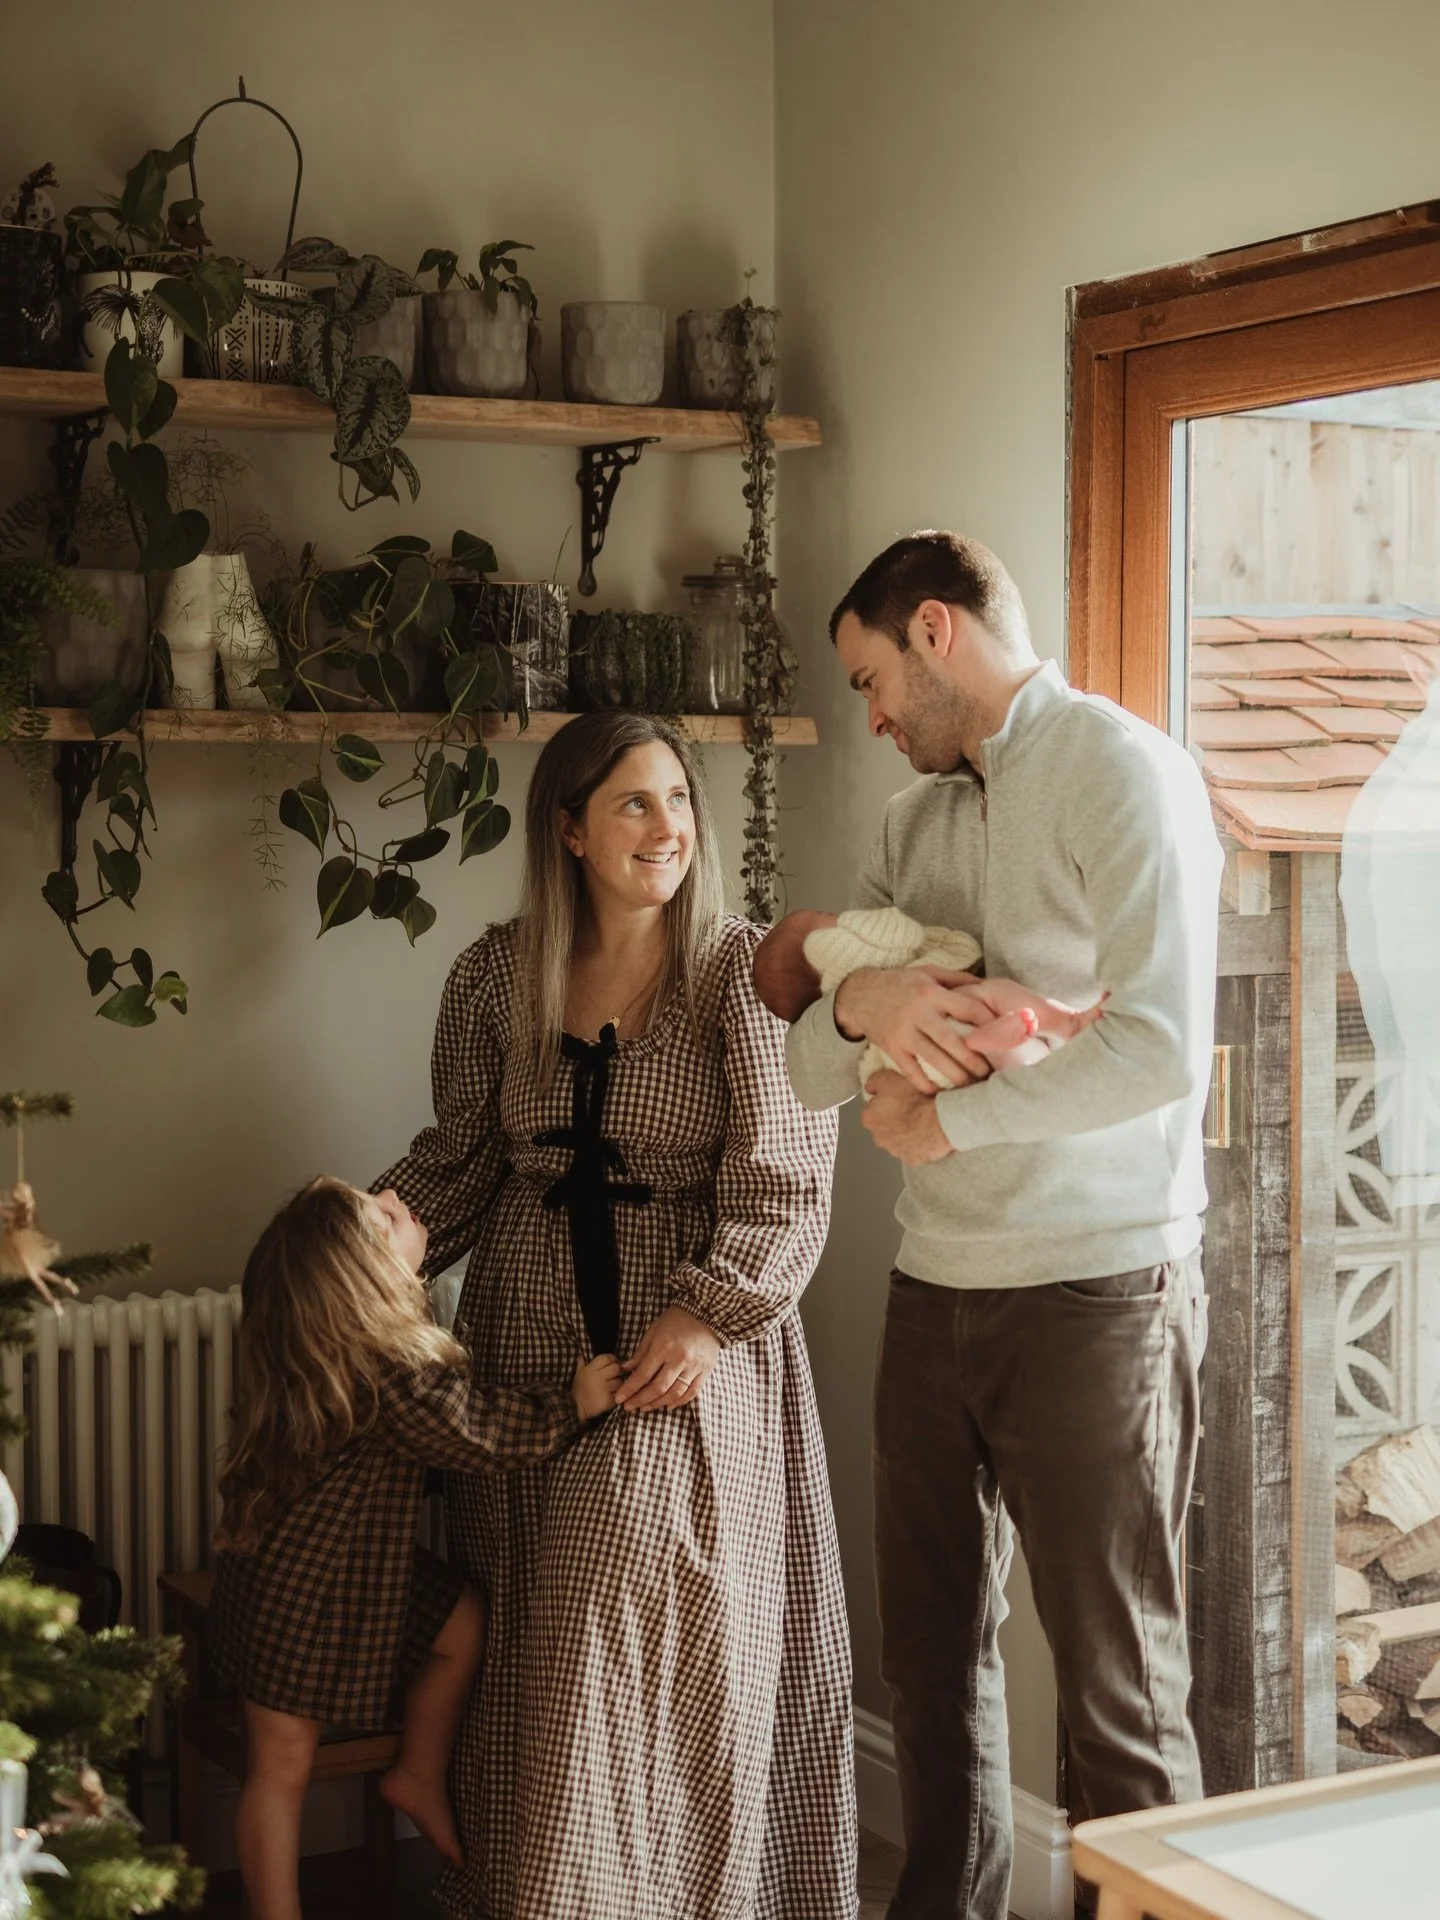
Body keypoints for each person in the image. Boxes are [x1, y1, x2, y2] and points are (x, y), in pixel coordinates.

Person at [754, 532, 1223, 1920]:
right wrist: (861, 1008)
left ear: (939, 630)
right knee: (931, 1672)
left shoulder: (1124, 773)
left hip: (1097, 1297)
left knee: (1115, 1698)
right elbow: (806, 1065)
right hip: (932, 1289)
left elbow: (1161, 1050)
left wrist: (946, 1122)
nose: (874, 715)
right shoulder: (914, 827)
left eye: (872, 679)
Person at [375, 709, 857, 1920]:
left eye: (680, 802)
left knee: (606, 1606)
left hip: (684, 1349)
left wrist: (705, 1316)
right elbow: (465, 1161)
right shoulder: (495, 971)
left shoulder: (740, 977)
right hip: (525, 1337)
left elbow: (785, 1178)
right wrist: (367, 1234)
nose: (668, 828)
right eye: (636, 804)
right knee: (532, 1634)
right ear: (571, 827)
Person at [211, 1177, 620, 1920]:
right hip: (299, 1598)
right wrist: (574, 1403)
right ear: (369, 1278)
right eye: (388, 1215)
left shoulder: (314, 1354)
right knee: (279, 1770)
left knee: (462, 1624)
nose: (400, 1197)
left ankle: (417, 1774)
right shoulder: (387, 1377)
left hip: (340, 1573)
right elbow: (477, 1432)